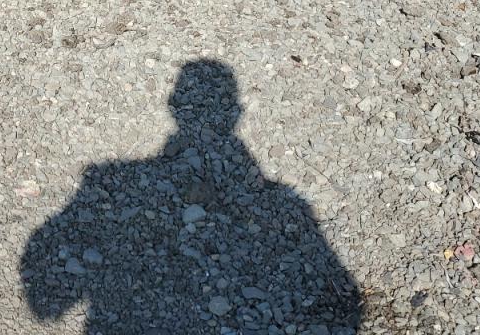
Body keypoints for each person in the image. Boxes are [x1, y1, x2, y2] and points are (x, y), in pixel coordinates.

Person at [21, 59, 361, 334]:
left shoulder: (107, 176)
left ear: (173, 105)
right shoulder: (288, 201)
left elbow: (45, 305)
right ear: (237, 111)